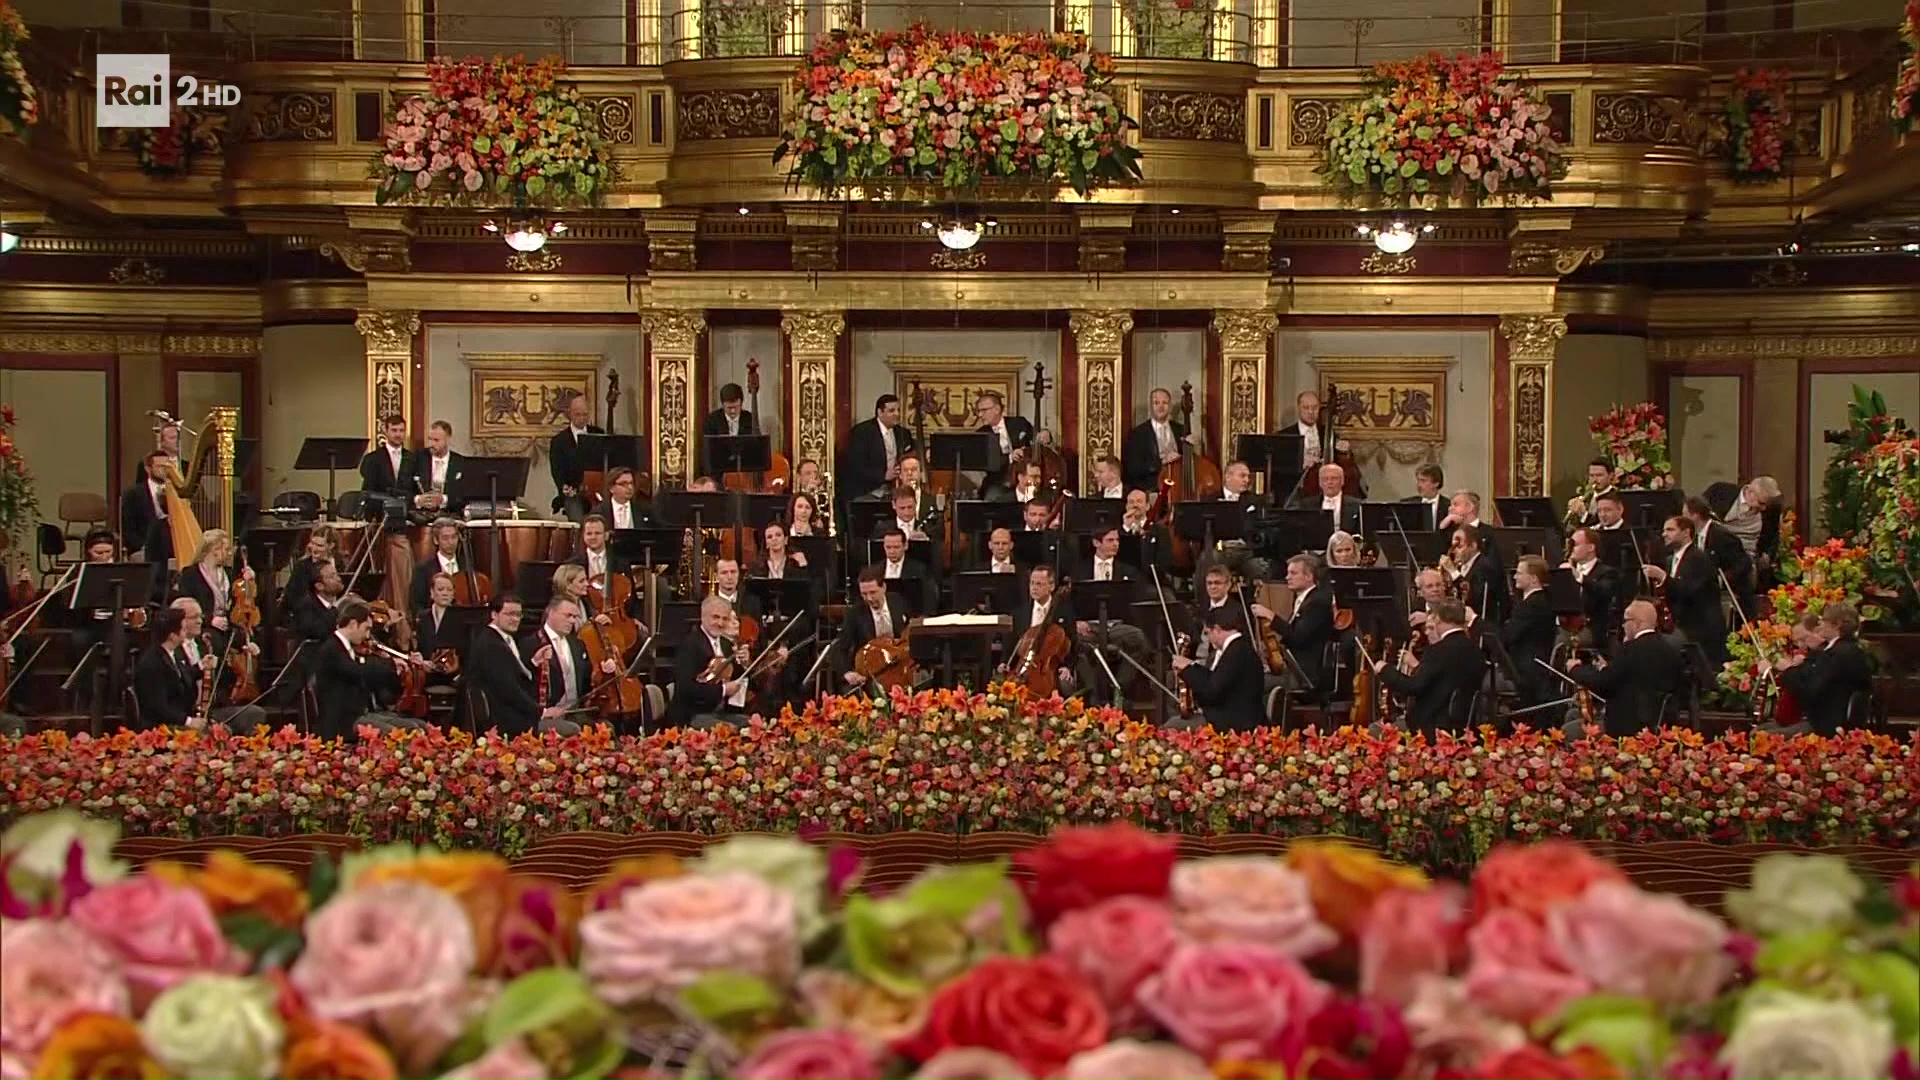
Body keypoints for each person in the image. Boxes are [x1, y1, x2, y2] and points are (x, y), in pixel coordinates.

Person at [1566, 599, 1685, 736]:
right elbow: (1631, 676)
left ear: (1637, 623)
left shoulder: (1630, 649)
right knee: (1574, 716)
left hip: (1625, 728)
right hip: (1659, 727)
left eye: (1626, 621)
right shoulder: (1670, 650)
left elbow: (1604, 685)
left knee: (1568, 732)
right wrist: (1606, 668)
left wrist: (1576, 669)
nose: (1623, 626)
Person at [311, 599, 425, 740]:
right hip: (342, 721)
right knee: (394, 734)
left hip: (360, 714)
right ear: (353, 624)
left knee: (418, 726)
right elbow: (356, 672)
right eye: (366, 629)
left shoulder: (348, 648)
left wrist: (394, 671)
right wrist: (389, 665)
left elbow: (370, 675)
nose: (367, 636)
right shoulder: (331, 648)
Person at [1374, 599, 1484, 734]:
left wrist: (1385, 670)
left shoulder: (1437, 651)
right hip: (1463, 728)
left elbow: (1414, 686)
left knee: (1374, 731)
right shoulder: (1476, 650)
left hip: (1431, 727)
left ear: (1439, 620)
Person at [466, 593, 566, 736]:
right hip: (504, 720)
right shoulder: (490, 644)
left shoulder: (503, 639)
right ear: (494, 614)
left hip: (512, 713)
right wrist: (541, 712)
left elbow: (512, 676)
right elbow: (508, 689)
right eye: (510, 614)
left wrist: (533, 663)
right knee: (571, 729)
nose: (515, 619)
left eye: (518, 615)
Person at [1766, 601, 1872, 735]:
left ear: (1837, 624)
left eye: (1824, 620)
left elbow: (1809, 691)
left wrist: (1787, 670)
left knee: (1760, 736)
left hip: (1825, 726)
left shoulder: (1839, 654)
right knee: (1762, 731)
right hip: (1825, 720)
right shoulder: (1844, 649)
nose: (1820, 624)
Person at [1072, 526, 1148, 704]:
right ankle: (1093, 693)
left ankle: (1118, 687)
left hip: (1116, 625)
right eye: (1110, 540)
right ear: (1096, 543)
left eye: (1117, 540)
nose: (1116, 544)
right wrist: (1077, 621)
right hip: (1089, 626)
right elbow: (1069, 601)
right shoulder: (1079, 571)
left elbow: (1136, 601)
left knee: (1140, 639)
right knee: (1076, 644)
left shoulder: (1129, 572)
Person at [1641, 515, 1726, 670]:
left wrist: (1663, 577)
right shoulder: (1670, 560)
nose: (1664, 534)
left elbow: (1690, 592)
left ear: (1686, 533)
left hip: (1699, 628)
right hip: (1679, 625)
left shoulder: (1698, 559)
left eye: (1670, 530)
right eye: (1664, 530)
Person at [527, 595, 616, 733]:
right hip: (547, 714)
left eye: (575, 617)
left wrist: (603, 672)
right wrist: (542, 711)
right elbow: (523, 684)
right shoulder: (531, 643)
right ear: (551, 613)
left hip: (575, 711)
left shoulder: (577, 644)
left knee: (606, 728)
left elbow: (588, 682)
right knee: (573, 730)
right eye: (568, 616)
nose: (572, 621)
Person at [1172, 606, 1266, 731]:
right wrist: (1192, 666)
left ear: (1217, 629)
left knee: (1170, 727)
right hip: (1234, 716)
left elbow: (1212, 691)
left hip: (1235, 723)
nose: (1209, 639)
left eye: (1208, 633)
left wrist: (1187, 670)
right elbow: (1217, 679)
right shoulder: (1239, 647)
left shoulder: (1236, 652)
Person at [666, 595, 753, 728]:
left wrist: (745, 664)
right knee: (729, 729)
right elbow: (685, 688)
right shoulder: (689, 644)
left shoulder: (726, 644)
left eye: (725, 619)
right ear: (703, 616)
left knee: (752, 725)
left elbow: (737, 678)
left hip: (721, 712)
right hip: (693, 714)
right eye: (715, 617)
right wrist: (723, 690)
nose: (720, 623)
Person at [171, 529, 251, 655]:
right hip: (204, 626)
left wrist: (248, 582)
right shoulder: (190, 574)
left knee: (248, 640)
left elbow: (241, 602)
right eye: (226, 549)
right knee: (215, 642)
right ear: (214, 550)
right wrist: (211, 620)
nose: (230, 553)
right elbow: (184, 609)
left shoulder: (230, 573)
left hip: (229, 626)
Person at [838, 568, 913, 691]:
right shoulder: (854, 613)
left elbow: (911, 629)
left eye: (873, 592)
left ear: (883, 587)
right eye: (864, 594)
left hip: (899, 664)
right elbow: (840, 647)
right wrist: (847, 672)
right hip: (872, 670)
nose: (869, 598)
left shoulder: (898, 601)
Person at [1004, 564, 1075, 691]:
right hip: (1022, 667)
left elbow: (1073, 644)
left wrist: (1067, 667)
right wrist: (1004, 662)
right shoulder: (1019, 613)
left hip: (1051, 668)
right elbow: (1010, 643)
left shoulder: (1064, 612)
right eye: (1032, 583)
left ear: (1051, 586)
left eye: (1039, 584)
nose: (1034, 588)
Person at [132, 606, 203, 730]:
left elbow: (182, 676)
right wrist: (188, 721)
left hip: (180, 719)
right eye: (183, 629)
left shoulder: (172, 653)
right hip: (162, 728)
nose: (186, 632)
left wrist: (202, 666)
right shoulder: (152, 663)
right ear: (172, 636)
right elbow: (157, 706)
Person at [1501, 555, 1558, 709]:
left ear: (1533, 579)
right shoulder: (1543, 600)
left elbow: (1508, 637)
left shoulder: (1531, 606)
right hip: (1533, 667)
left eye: (1519, 573)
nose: (1515, 577)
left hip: (1526, 672)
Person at [1276, 554, 1335, 695]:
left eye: (1293, 573)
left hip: (1306, 675)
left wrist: (1272, 619)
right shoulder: (1304, 600)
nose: (1287, 577)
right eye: (1288, 573)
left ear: (1309, 576)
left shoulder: (1317, 602)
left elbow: (1298, 637)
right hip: (1294, 669)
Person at [1685, 494, 1754, 615]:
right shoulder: (1696, 535)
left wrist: (1721, 579)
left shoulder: (1721, 536)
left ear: (1695, 515)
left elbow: (1744, 563)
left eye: (1684, 514)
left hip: (1732, 595)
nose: (1682, 518)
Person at [840, 394, 916, 504]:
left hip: (895, 492)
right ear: (880, 412)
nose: (897, 414)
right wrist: (883, 475)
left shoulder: (903, 433)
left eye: (898, 410)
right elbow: (855, 465)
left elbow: (910, 456)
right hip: (866, 492)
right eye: (891, 411)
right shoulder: (862, 432)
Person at [1564, 527, 1623, 647]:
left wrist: (1579, 577)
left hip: (1591, 627)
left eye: (1575, 544)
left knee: (1565, 642)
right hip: (1566, 626)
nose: (1571, 548)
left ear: (1591, 547)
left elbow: (1604, 591)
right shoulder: (1566, 570)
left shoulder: (1607, 572)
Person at [1123, 387, 1190, 494]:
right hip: (1151, 489)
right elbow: (1133, 468)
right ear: (1151, 406)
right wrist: (1161, 463)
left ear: (1170, 406)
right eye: (1156, 403)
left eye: (1165, 403)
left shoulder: (1181, 430)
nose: (1161, 407)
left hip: (1178, 488)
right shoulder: (1138, 433)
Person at [549, 394, 606, 520]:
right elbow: (556, 470)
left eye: (585, 415)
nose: (582, 418)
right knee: (577, 515)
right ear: (570, 414)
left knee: (603, 515)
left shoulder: (599, 434)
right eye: (578, 414)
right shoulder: (559, 441)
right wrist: (564, 487)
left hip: (596, 492)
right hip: (573, 493)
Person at [975, 391, 1035, 502]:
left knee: (1034, 498)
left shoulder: (1019, 423)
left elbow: (1034, 438)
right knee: (992, 499)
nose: (980, 415)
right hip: (998, 480)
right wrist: (1010, 457)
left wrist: (1045, 435)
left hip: (1023, 476)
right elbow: (988, 463)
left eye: (984, 410)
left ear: (997, 409)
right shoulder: (981, 434)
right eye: (978, 411)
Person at [1444, 525, 1508, 627]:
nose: (1454, 552)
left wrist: (1453, 573)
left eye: (1459, 547)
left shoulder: (1485, 567)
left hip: (1482, 624)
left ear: (1473, 546)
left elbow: (1474, 597)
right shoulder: (1461, 566)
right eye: (1453, 547)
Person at [407, 419, 465, 515]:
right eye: (430, 439)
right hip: (420, 514)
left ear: (448, 439)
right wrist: (418, 499)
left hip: (449, 514)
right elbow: (404, 488)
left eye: (436, 440)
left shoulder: (459, 462)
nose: (431, 444)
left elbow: (463, 495)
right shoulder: (417, 458)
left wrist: (443, 499)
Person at [1286, 462, 1363, 535]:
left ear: (1342, 481)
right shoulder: (1307, 505)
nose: (1330, 482)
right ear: (1320, 483)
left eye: (1334, 478)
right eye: (1325, 479)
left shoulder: (1357, 505)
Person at [701, 382, 758, 477]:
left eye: (736, 407)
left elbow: (754, 449)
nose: (733, 411)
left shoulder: (749, 419)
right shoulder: (711, 421)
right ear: (723, 405)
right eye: (729, 408)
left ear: (741, 403)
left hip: (744, 472)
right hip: (718, 472)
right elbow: (707, 454)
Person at [411, 517, 467, 611]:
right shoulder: (423, 569)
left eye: (454, 537)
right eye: (445, 538)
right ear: (436, 540)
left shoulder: (466, 566)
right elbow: (417, 605)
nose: (451, 542)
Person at [873, 529, 934, 614]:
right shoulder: (874, 570)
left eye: (896, 547)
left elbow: (930, 597)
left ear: (905, 546)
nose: (892, 551)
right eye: (888, 547)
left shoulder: (920, 570)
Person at [358, 414, 413, 498]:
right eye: (394, 430)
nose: (398, 434)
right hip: (380, 504)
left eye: (401, 430)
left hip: (406, 504)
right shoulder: (372, 458)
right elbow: (368, 491)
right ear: (386, 431)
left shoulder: (412, 458)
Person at [1564, 459, 1618, 527]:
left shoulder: (1617, 497)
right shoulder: (1587, 497)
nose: (1594, 480)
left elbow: (1602, 525)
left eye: (1599, 475)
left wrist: (1583, 514)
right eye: (1591, 475)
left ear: (1611, 476)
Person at [1405, 464, 1448, 532]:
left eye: (1423, 481)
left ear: (1436, 483)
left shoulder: (1448, 506)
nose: (1419, 485)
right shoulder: (1407, 505)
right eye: (1418, 480)